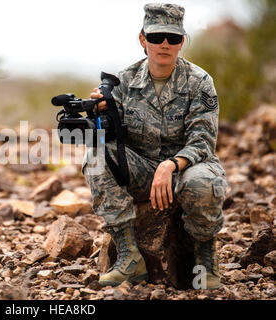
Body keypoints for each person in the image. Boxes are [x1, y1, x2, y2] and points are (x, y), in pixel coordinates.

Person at [82, 3, 228, 289]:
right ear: (142, 39)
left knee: (203, 183)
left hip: (188, 167)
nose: (164, 44)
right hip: (144, 169)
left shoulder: (200, 82)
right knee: (97, 157)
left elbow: (203, 140)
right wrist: (101, 114)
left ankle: (205, 259)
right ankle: (128, 255)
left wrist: (171, 164)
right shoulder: (122, 82)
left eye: (173, 38)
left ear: (182, 42)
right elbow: (111, 138)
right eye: (157, 36)